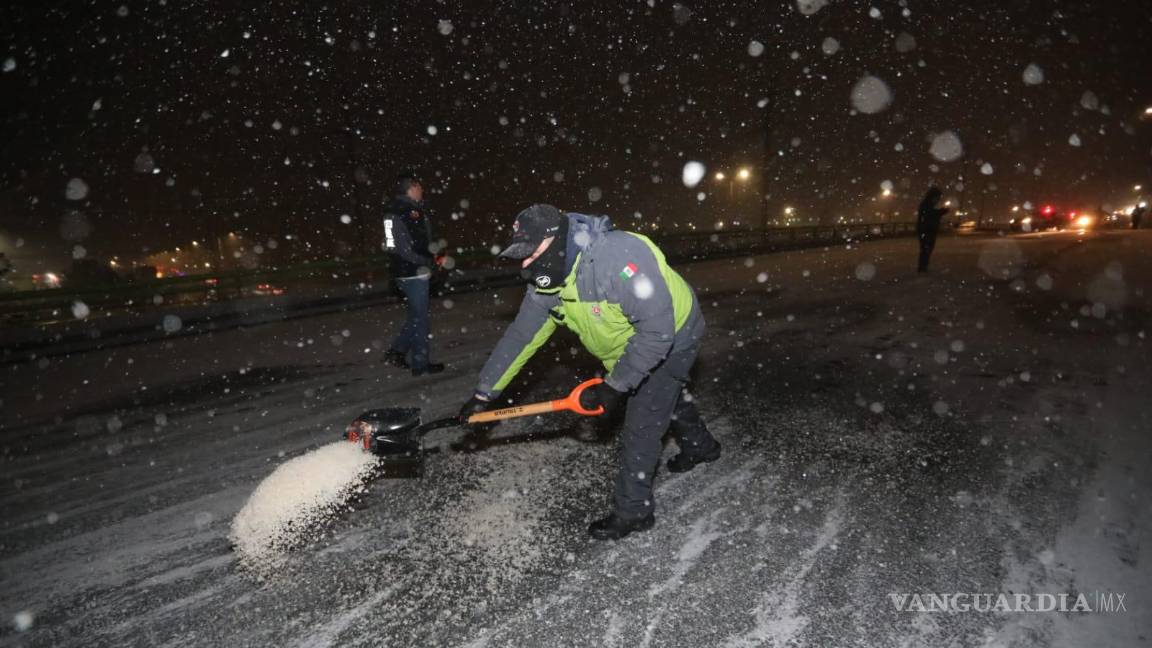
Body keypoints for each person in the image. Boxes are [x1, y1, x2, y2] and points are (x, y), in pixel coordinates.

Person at [457, 205, 721, 540]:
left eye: (532, 254)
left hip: (673, 336)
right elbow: (522, 336)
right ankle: (702, 446)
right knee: (663, 400)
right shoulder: (547, 284)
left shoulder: (619, 259)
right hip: (626, 345)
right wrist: (485, 393)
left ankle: (634, 511)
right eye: (520, 257)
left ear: (557, 243)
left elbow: (657, 333)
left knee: (642, 424)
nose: (526, 266)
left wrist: (615, 386)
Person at [382, 174, 444, 376]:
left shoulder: (401, 209)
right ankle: (421, 364)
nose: (422, 191)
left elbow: (410, 242)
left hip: (408, 270)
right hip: (411, 272)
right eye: (420, 187)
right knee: (420, 319)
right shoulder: (402, 211)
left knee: (417, 316)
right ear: (412, 188)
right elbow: (401, 248)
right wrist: (424, 262)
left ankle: (396, 351)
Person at [916, 186, 950, 272]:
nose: (938, 200)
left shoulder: (927, 204)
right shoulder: (926, 205)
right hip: (927, 230)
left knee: (927, 249)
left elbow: (930, 215)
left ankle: (923, 267)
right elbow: (930, 215)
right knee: (926, 249)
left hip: (927, 230)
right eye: (937, 198)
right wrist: (941, 212)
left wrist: (940, 212)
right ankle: (922, 267)